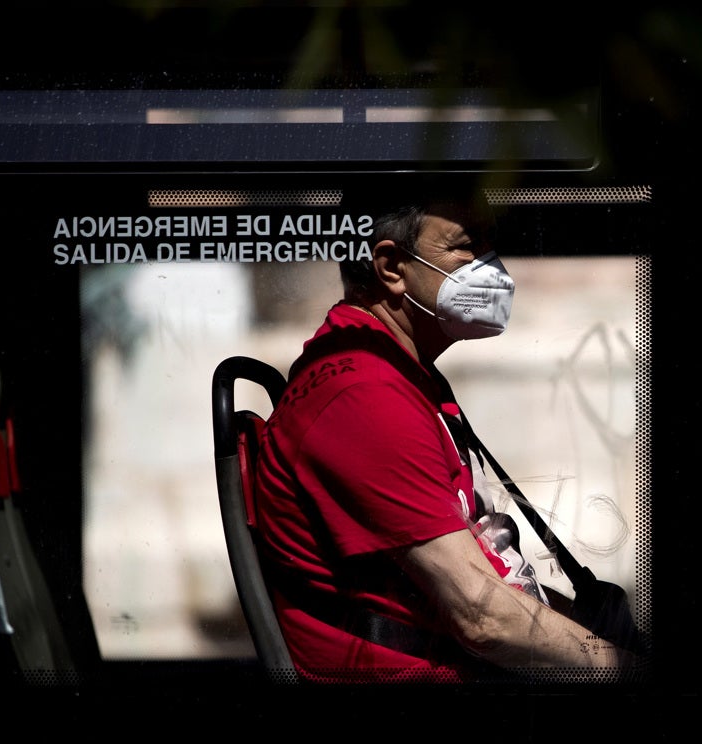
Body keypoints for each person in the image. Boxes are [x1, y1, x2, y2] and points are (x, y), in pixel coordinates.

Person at [253, 180, 636, 682]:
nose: (491, 265)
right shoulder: (362, 397)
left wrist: (595, 640)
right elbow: (482, 618)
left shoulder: (403, 374)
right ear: (391, 267)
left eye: (490, 243)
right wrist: (627, 669)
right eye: (466, 245)